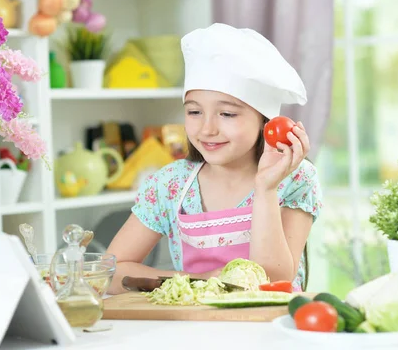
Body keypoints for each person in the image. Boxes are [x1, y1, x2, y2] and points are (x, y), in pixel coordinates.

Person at [106, 23, 323, 294]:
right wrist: (197, 280)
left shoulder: (296, 178)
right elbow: (112, 271)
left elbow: (274, 280)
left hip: (268, 329)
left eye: (227, 114)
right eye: (194, 112)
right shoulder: (170, 184)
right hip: (195, 331)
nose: (207, 129)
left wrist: (266, 188)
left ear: (265, 122)